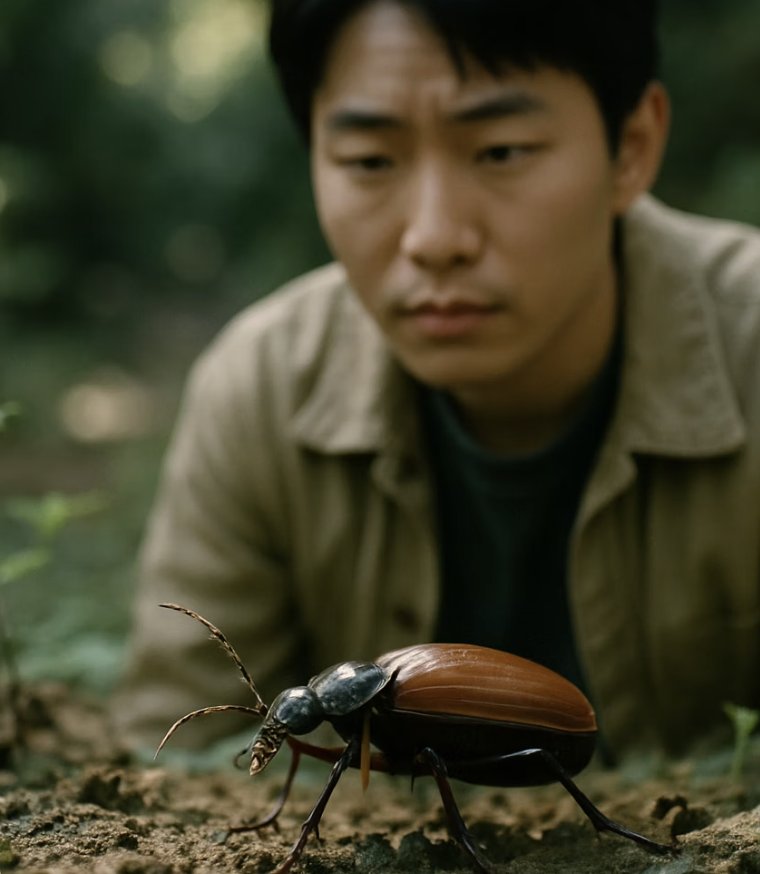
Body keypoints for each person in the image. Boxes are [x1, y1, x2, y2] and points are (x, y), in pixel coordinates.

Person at [113, 0, 760, 760]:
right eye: (370, 162)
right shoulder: (262, 389)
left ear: (632, 147)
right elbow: (187, 757)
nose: (434, 238)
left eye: (503, 151)